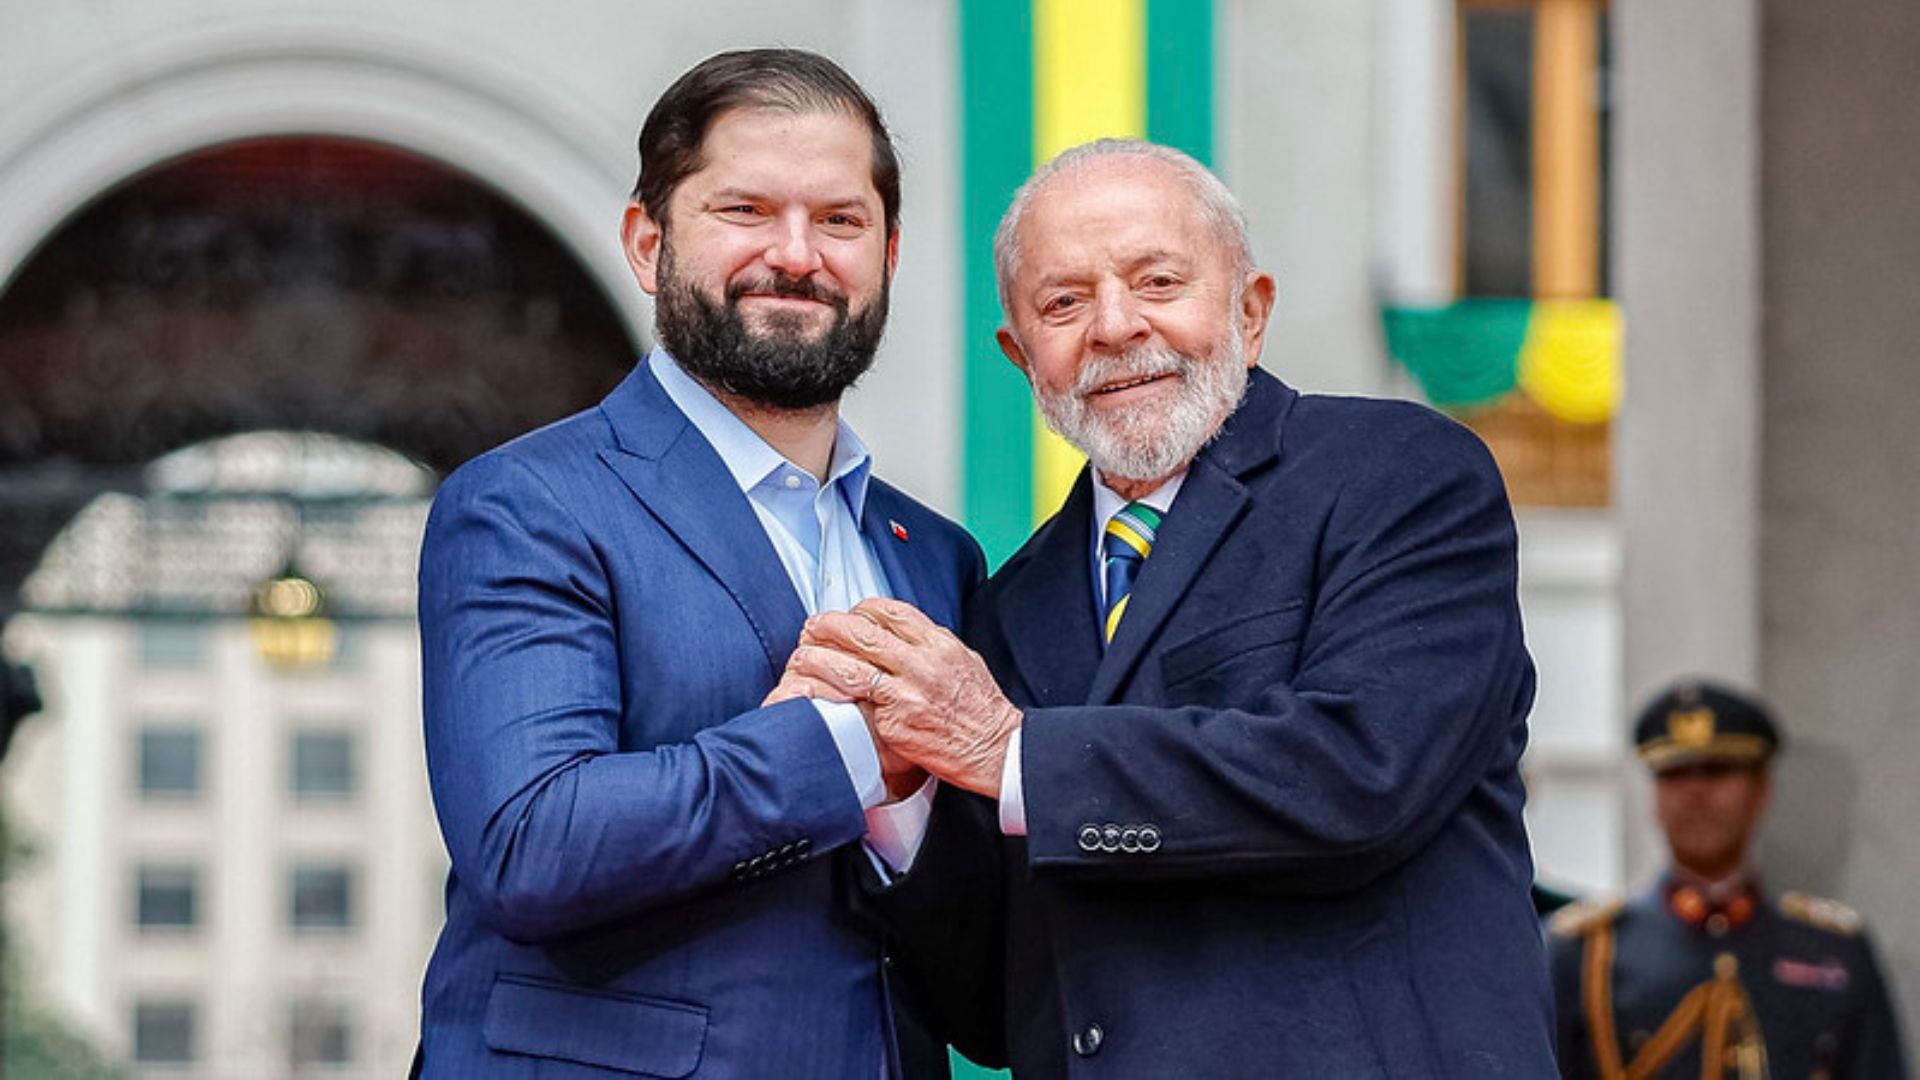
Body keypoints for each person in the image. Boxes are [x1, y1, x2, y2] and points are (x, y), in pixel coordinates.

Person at [777, 139, 1555, 1077]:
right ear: (1022, 358)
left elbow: (1362, 774)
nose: (1113, 326)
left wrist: (1007, 754)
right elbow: (995, 1002)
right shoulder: (1014, 599)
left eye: (1157, 281)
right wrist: (899, 800)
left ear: (1250, 311)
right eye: (1063, 303)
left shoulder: (1398, 474)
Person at [413, 49, 980, 1079]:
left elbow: (971, 952)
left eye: (840, 220)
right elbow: (532, 845)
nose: (796, 255)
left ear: (891, 254)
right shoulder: (527, 505)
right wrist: (843, 751)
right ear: (648, 239)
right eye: (745, 210)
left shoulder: (937, 557)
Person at [1548, 680, 1908, 1079]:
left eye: (1719, 771)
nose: (1697, 793)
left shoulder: (1833, 949)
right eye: (1676, 774)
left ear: (1761, 790)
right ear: (1654, 796)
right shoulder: (1587, 953)